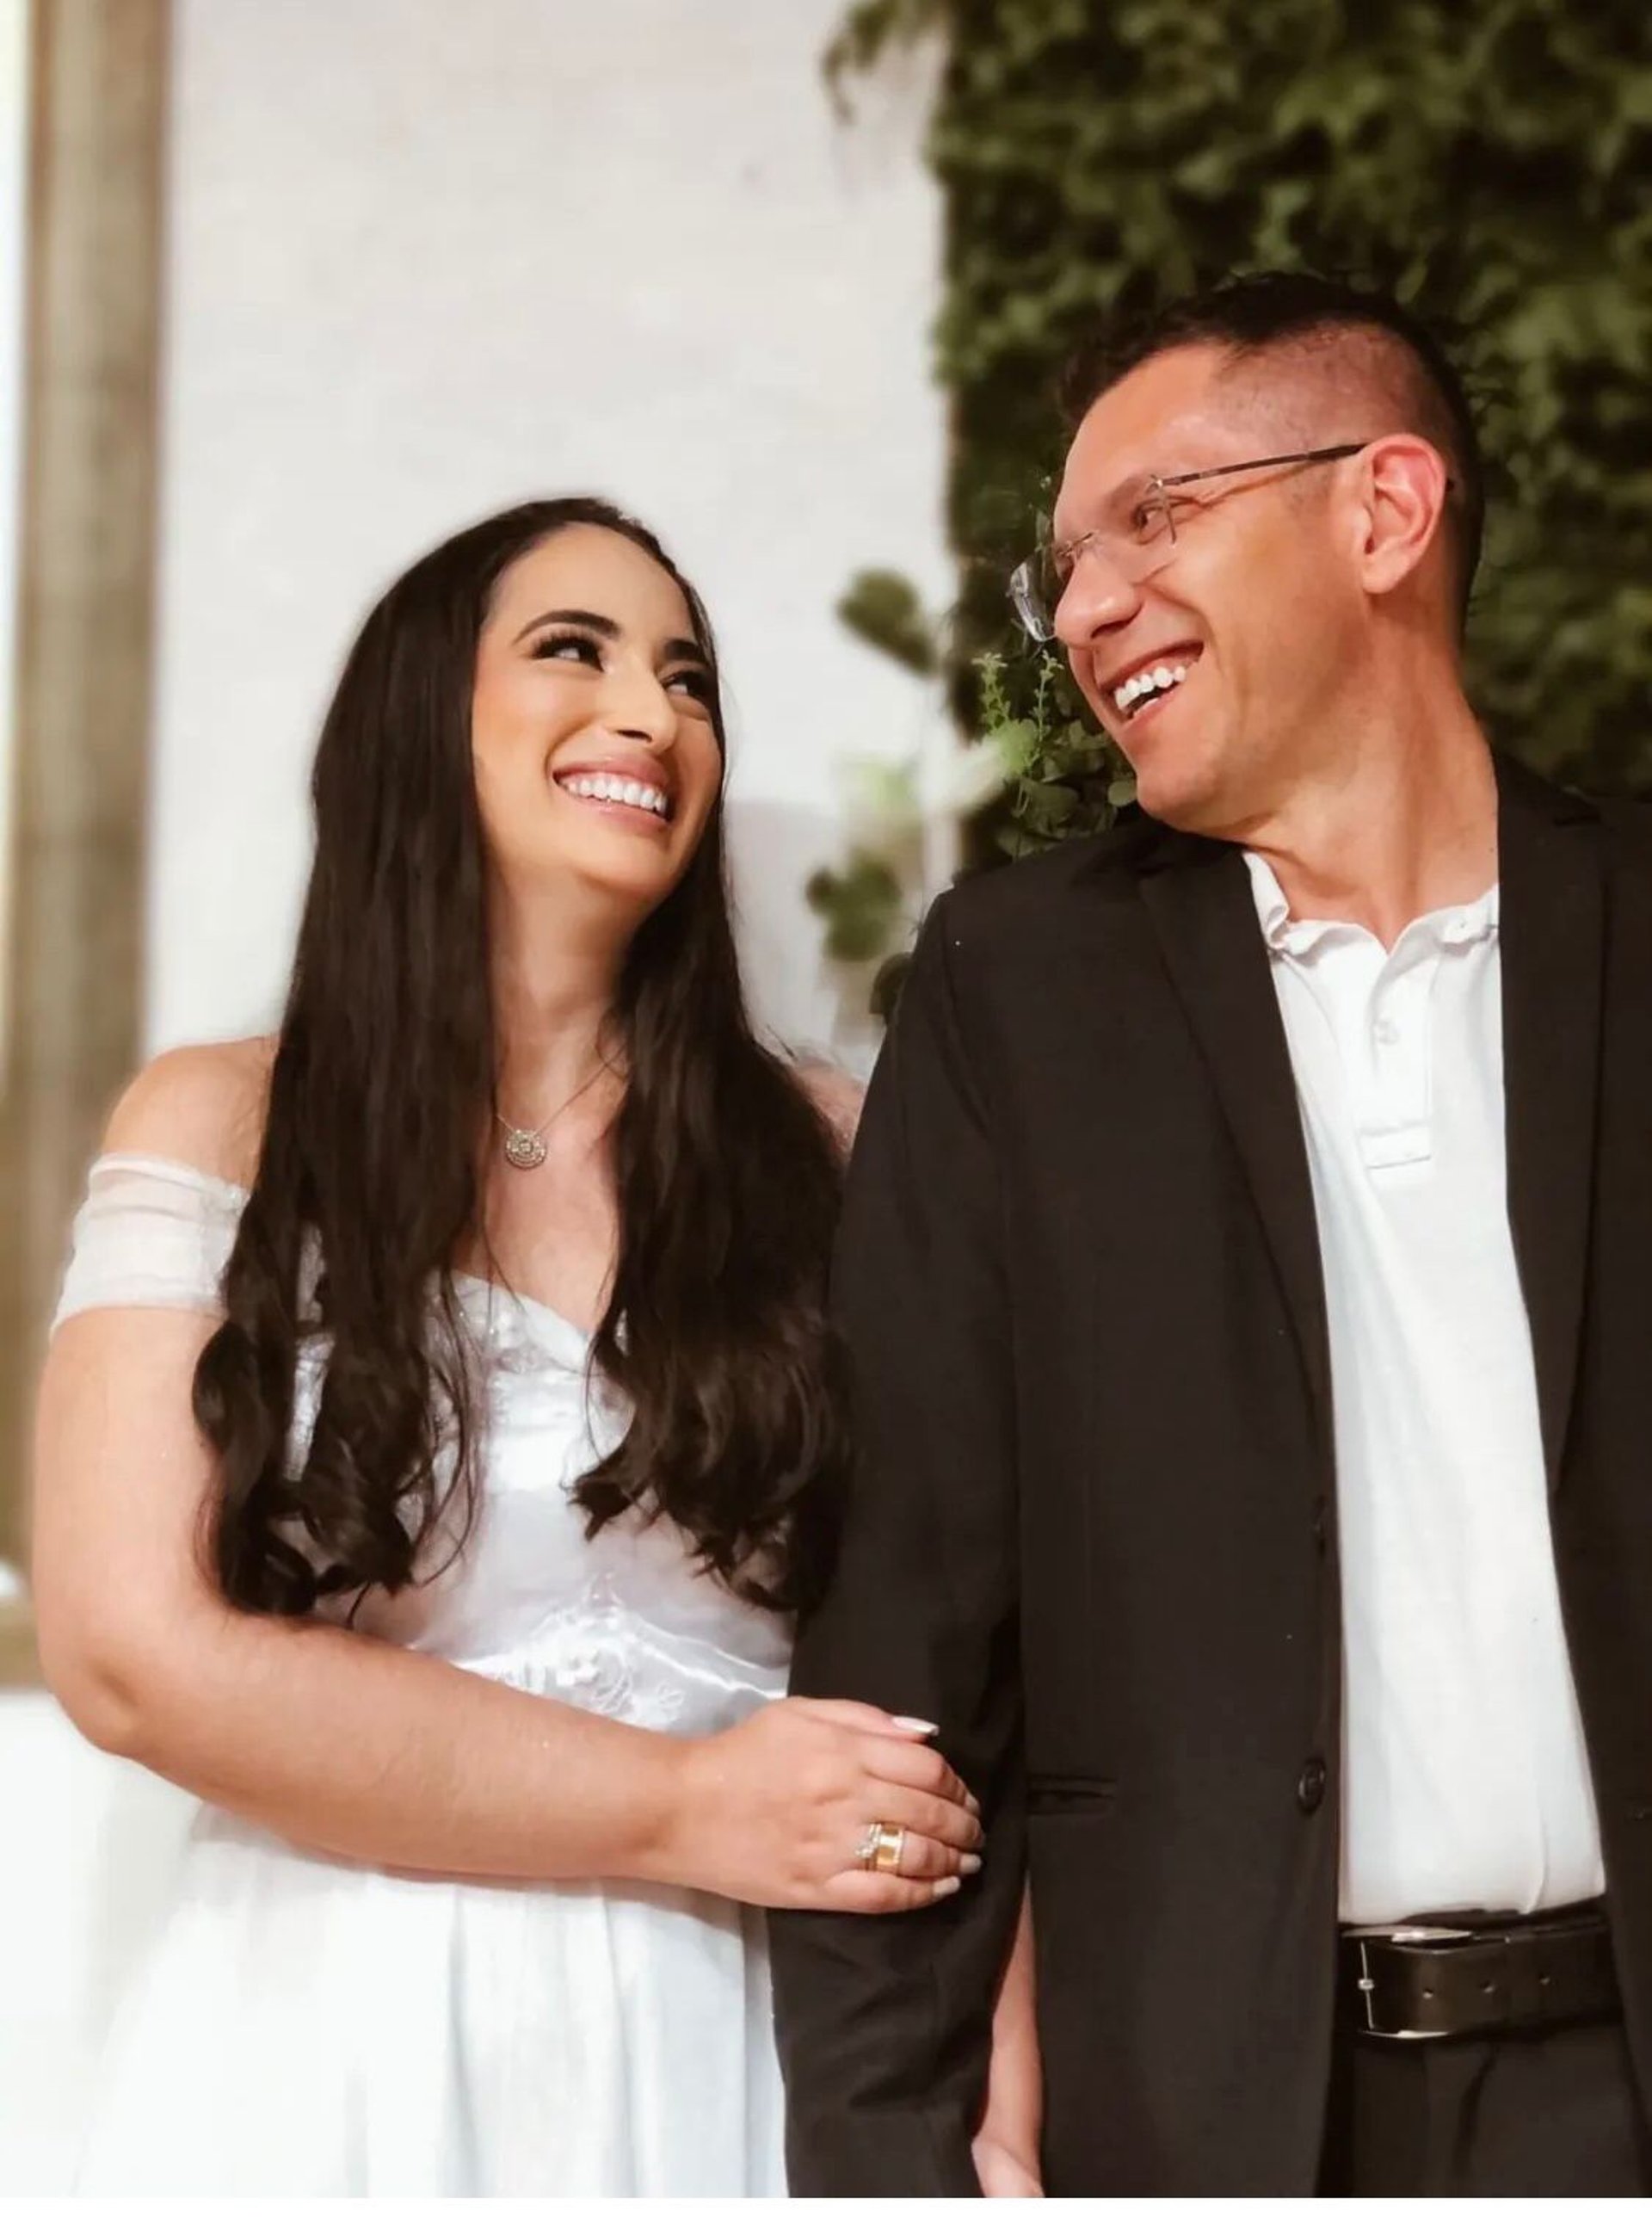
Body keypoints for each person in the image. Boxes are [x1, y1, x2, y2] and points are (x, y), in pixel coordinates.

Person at [771, 272, 1652, 2196]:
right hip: (1209, 2113)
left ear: (1383, 510)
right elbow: (901, 1631)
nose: (1085, 608)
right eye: (1063, 566)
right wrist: (887, 2154)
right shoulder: (1017, 993)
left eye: (1154, 519)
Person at [29, 497, 1002, 2197]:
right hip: (325, 2050)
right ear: (420, 717)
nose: (652, 711)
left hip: (742, 2045)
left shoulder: (844, 1154)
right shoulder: (228, 1123)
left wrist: (992, 2106)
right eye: (576, 650)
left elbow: (983, 1661)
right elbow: (127, 1646)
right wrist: (685, 1805)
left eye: (688, 677)